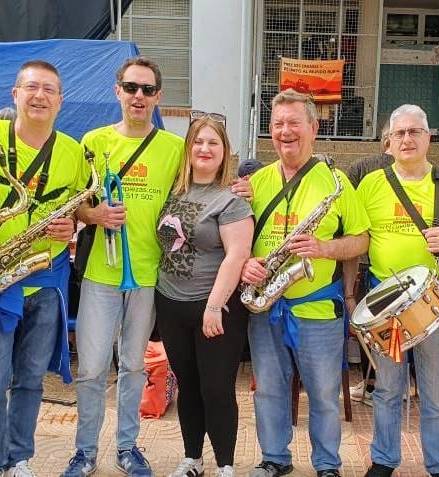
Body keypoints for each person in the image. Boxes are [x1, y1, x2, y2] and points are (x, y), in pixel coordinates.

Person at [62, 57, 184, 477]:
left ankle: (127, 447)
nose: (139, 96)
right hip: (101, 273)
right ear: (117, 91)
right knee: (93, 368)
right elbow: (74, 205)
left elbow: (197, 190)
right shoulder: (93, 141)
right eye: (131, 87)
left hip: (148, 276)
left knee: (135, 366)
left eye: (147, 90)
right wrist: (94, 216)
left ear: (158, 97)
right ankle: (85, 451)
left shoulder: (174, 148)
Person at [241, 89, 369, 477]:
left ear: (313, 127)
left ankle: (327, 464)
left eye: (294, 123)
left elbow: (362, 240)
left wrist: (324, 247)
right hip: (266, 307)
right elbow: (234, 238)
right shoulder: (255, 182)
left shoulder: (337, 183)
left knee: (324, 395)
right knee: (268, 390)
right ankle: (275, 458)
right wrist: (246, 262)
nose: (285, 131)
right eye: (278, 124)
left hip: (316, 307)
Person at [353, 104, 439, 477]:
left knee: (436, 390)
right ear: (388, 142)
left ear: (428, 137)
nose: (407, 139)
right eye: (399, 133)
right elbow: (355, 237)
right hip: (385, 303)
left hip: (433, 302)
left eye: (415, 132)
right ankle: (383, 460)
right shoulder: (371, 184)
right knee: (389, 388)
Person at [0, 60, 86, 477]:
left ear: (60, 101)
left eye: (49, 90)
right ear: (14, 95)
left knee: (31, 378)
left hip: (44, 277)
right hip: (1, 276)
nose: (40, 97)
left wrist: (75, 222)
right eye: (31, 88)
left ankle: (18, 458)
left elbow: (82, 207)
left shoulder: (72, 152)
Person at [155, 113, 253, 477]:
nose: (204, 148)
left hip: (215, 307)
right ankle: (191, 459)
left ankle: (225, 465)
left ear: (225, 151)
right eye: (198, 141)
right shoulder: (174, 190)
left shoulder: (232, 199)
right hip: (170, 303)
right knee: (188, 384)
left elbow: (237, 255)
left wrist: (214, 306)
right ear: (188, 148)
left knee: (216, 388)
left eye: (213, 142)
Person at [344, 122, 393, 407]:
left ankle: (372, 383)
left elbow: (346, 210)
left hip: (362, 259)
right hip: (392, 262)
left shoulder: (361, 167)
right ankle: (386, 384)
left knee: (368, 323)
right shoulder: (419, 171)